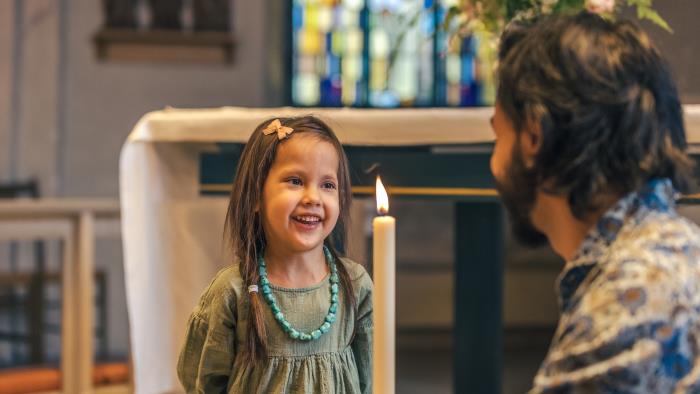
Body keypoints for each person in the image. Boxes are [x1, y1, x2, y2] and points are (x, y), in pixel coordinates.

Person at [491, 12, 700, 392]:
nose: (495, 160)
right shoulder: (680, 250)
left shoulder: (625, 310)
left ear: (533, 137)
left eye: (498, 135)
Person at [177, 116, 373, 393]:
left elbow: (373, 377)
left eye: (328, 185)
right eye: (295, 181)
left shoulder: (354, 285)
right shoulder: (233, 291)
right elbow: (202, 381)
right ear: (256, 195)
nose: (313, 198)